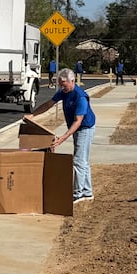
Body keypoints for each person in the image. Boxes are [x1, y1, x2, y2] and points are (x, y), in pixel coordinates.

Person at [25, 67, 96, 204]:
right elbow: (49, 104)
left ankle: (78, 193)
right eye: (60, 85)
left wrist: (63, 138)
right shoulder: (64, 92)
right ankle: (87, 192)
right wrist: (33, 115)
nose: (62, 88)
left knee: (79, 161)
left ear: (72, 81)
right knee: (83, 161)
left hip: (85, 128)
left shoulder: (80, 97)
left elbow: (78, 122)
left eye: (64, 85)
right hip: (77, 127)